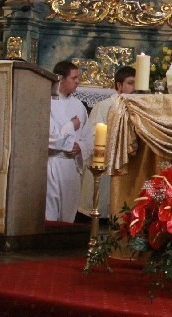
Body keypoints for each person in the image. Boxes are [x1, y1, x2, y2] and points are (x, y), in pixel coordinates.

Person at [77, 66, 136, 220]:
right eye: (130, 83)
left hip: (128, 164)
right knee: (100, 209)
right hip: (106, 163)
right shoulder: (103, 106)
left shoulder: (139, 108)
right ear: (119, 85)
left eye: (137, 84)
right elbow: (93, 135)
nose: (134, 88)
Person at [47, 61, 89, 222]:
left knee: (68, 217)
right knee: (50, 214)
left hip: (72, 166)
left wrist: (80, 147)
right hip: (53, 163)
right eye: (74, 78)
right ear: (61, 79)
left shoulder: (79, 106)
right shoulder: (48, 102)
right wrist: (71, 126)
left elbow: (88, 136)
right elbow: (49, 138)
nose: (78, 81)